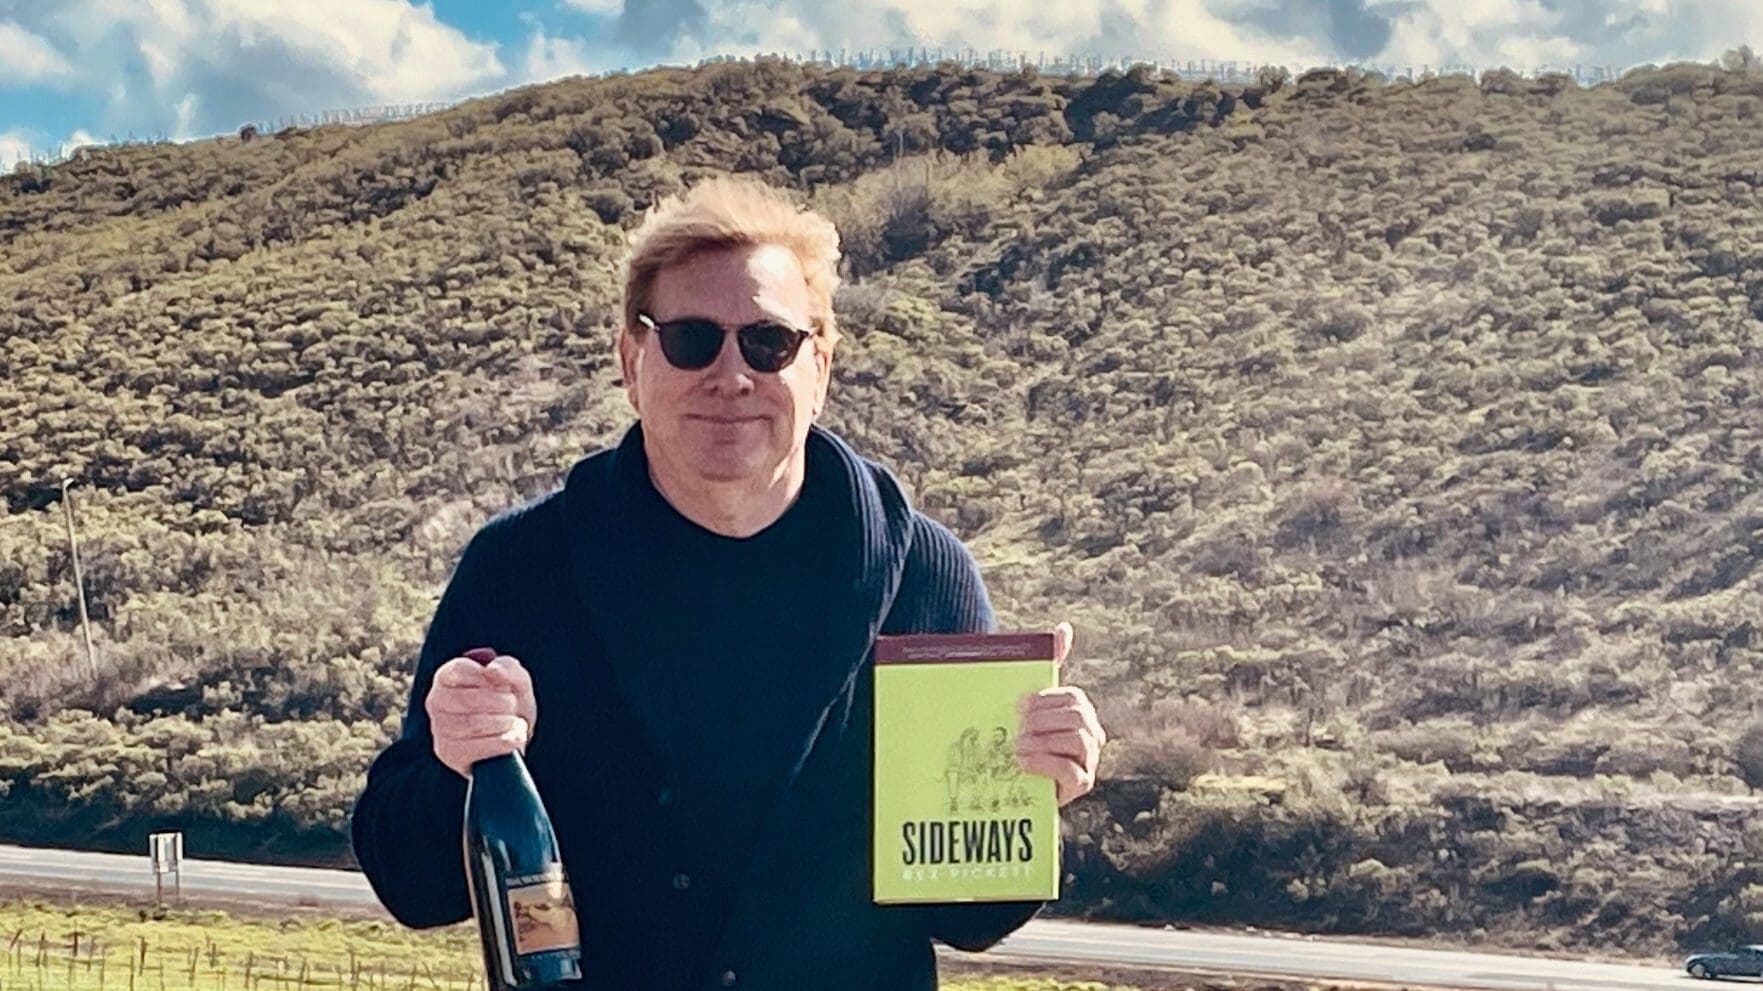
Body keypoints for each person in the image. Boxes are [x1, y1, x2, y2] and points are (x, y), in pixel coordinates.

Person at [351, 176, 1107, 990]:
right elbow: (411, 883)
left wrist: (1031, 788)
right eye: (690, 339)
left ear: (820, 361)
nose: (730, 374)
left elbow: (968, 915)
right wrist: (453, 767)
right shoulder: (521, 568)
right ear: (629, 360)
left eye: (767, 343)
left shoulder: (923, 573)